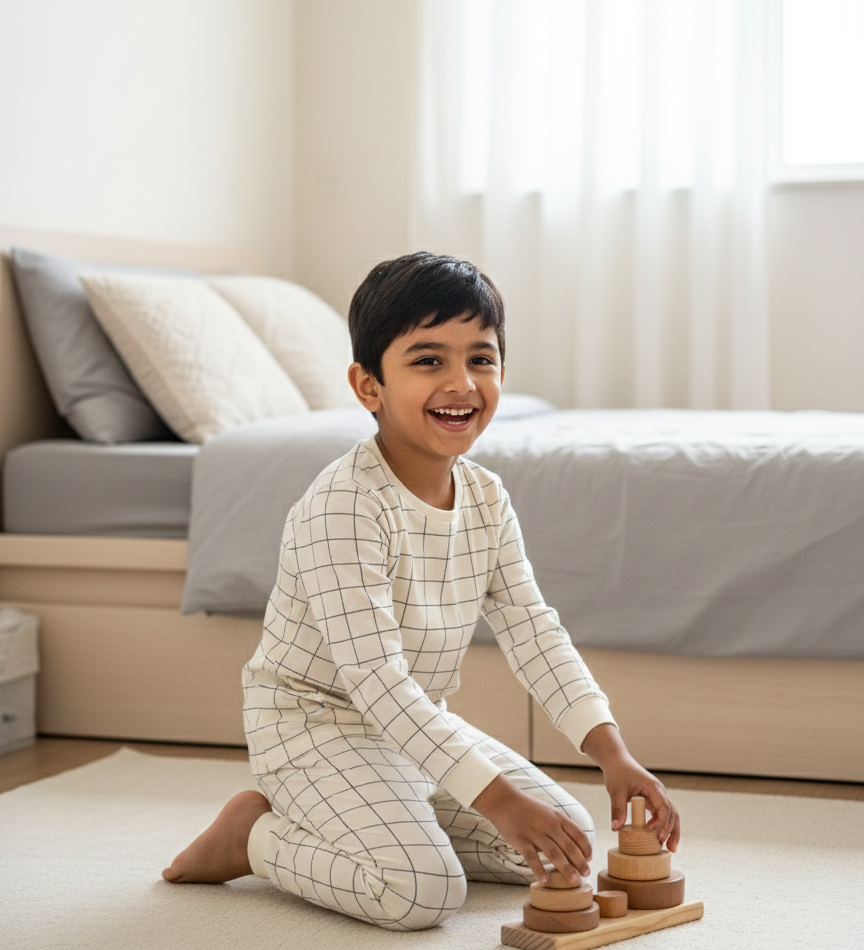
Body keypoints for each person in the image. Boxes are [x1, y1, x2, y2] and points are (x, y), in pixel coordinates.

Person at [162, 252, 681, 930]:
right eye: (429, 361)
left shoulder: (486, 497)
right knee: (421, 893)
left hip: (412, 726)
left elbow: (533, 630)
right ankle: (252, 838)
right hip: (314, 723)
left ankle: (392, 810)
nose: (462, 383)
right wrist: (495, 800)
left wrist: (612, 753)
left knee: (564, 840)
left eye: (482, 359)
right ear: (368, 385)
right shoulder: (344, 506)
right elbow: (376, 682)